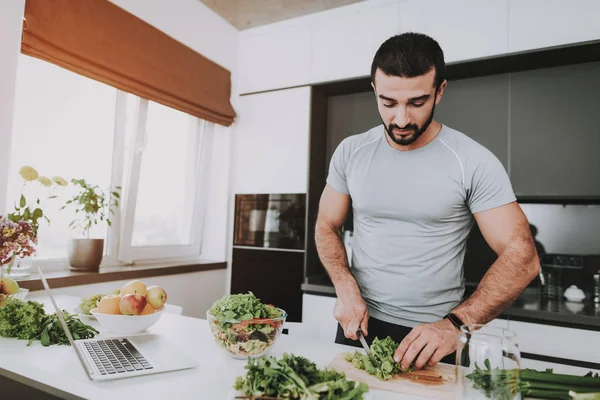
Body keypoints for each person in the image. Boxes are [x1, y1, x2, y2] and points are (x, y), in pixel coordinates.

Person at [314, 32, 541, 371]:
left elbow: (523, 258)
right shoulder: (351, 152)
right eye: (389, 103)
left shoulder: (472, 161)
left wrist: (455, 326)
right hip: (356, 324)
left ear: (440, 91)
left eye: (417, 102)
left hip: (434, 336)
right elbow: (326, 225)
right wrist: (344, 287)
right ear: (375, 91)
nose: (402, 119)